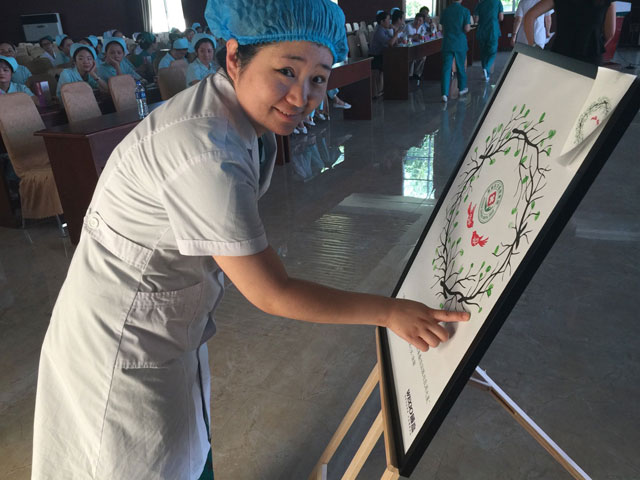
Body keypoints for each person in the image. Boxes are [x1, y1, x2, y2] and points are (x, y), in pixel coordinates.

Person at [32, 0, 469, 477]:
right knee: (139, 462)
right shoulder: (204, 149)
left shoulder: (235, 116)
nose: (301, 96)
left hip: (160, 326)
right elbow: (271, 292)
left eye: (318, 79)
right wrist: (387, 312)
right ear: (234, 57)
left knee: (185, 450)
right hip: (118, 346)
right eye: (286, 71)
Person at [523, 0, 615, 65]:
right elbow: (610, 33)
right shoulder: (607, 2)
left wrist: (533, 45)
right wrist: (596, 47)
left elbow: (530, 16)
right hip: (591, 57)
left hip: (561, 54)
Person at [440, 0, 471, 102]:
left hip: (447, 43)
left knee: (446, 68)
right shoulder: (465, 11)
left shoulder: (445, 11)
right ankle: (461, 88)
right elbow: (467, 28)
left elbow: (442, 30)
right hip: (459, 43)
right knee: (460, 66)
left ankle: (444, 93)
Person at [474, 0, 504, 82]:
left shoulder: (480, 3)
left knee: (483, 53)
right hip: (492, 30)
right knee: (492, 52)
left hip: (481, 31)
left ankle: (486, 74)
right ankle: (486, 68)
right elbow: (501, 18)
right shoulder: (498, 2)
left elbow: (476, 19)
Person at [405, 14, 427, 81]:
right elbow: (410, 37)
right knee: (412, 57)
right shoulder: (409, 26)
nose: (417, 22)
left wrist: (417, 36)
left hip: (417, 47)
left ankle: (417, 74)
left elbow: (424, 36)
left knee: (423, 57)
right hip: (407, 48)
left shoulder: (422, 27)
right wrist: (417, 36)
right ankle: (410, 75)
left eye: (420, 20)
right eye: (416, 19)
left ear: (423, 22)